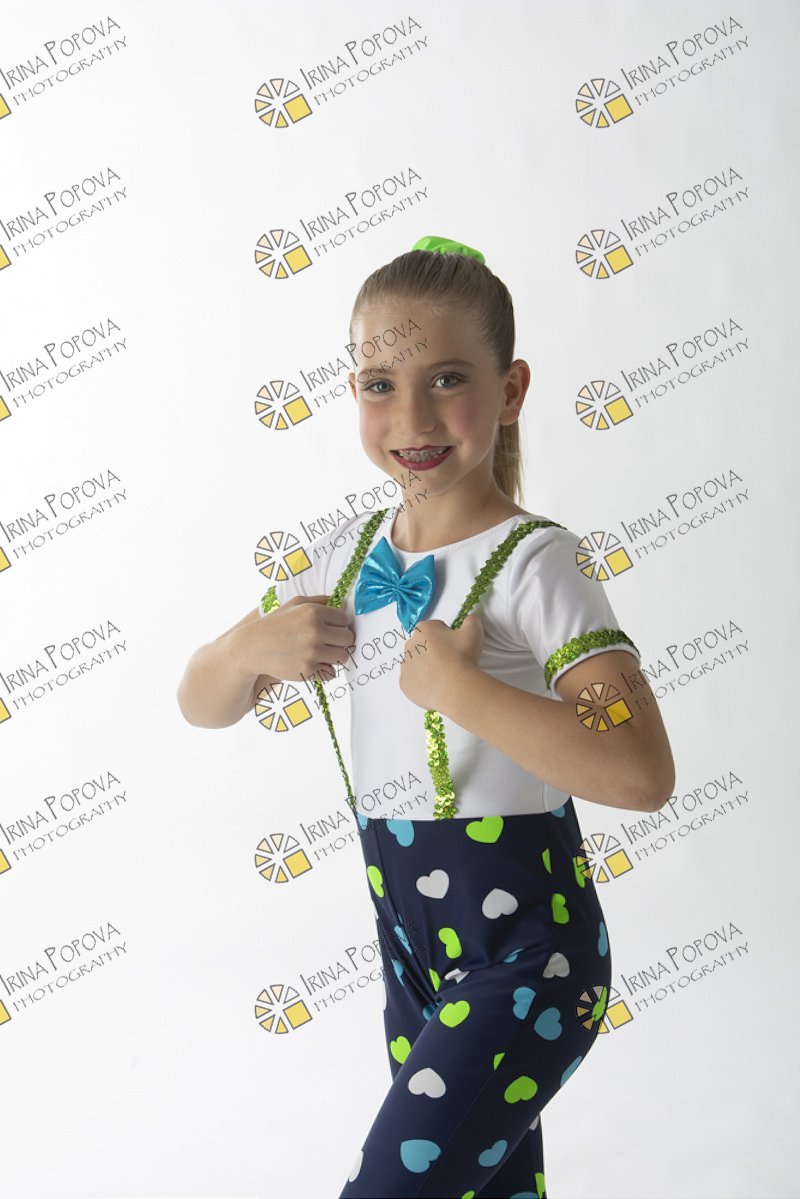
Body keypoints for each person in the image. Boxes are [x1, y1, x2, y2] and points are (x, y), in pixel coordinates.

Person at [177, 235, 675, 1199]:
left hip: (532, 955)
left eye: (448, 378)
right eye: (380, 384)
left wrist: (462, 690)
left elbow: (641, 771)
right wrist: (244, 650)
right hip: (410, 947)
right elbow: (201, 704)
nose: (412, 416)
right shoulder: (345, 554)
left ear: (511, 388)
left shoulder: (540, 564)